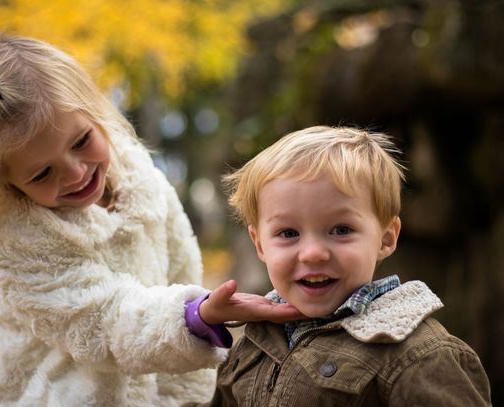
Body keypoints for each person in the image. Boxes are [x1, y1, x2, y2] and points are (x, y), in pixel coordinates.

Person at [0, 34, 302, 407]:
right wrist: (193, 316)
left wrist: (187, 390)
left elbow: (180, 266)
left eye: (80, 141)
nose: (75, 173)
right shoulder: (13, 240)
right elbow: (101, 323)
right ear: (6, 181)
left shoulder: (141, 181)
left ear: (96, 112)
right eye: (42, 174)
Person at [200, 126, 492, 406]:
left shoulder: (418, 354)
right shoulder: (255, 341)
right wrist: (194, 319)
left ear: (386, 238)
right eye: (288, 233)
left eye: (341, 230)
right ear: (260, 244)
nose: (313, 254)